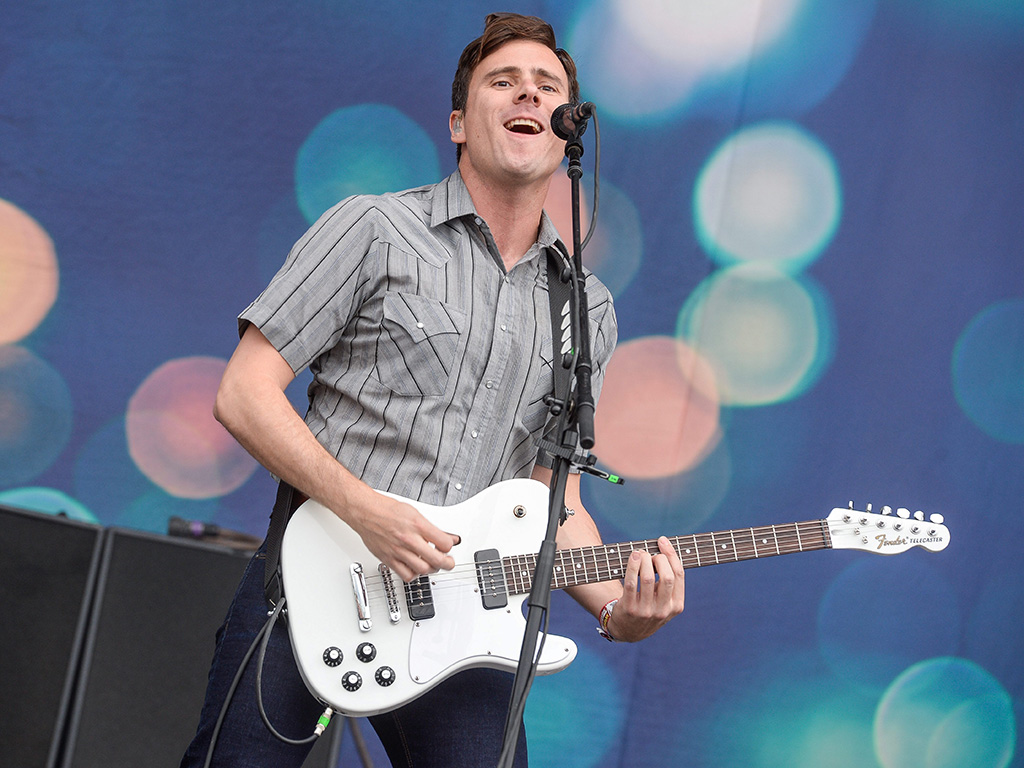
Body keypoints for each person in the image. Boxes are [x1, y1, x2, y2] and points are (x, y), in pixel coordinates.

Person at [180, 12, 685, 768]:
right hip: (312, 582)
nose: (529, 93)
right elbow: (244, 393)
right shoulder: (375, 230)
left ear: (565, 128)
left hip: (464, 619)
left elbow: (553, 496)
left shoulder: (588, 307)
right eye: (503, 81)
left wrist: (620, 609)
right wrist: (362, 507)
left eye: (548, 86)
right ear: (458, 120)